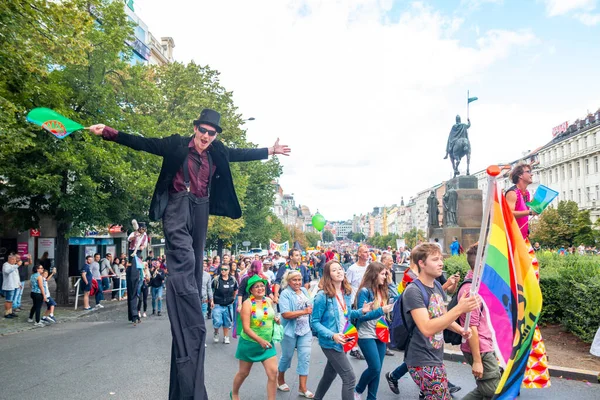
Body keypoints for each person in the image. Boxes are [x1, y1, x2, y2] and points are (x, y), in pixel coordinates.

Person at [89, 108, 290, 399]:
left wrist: (270, 150)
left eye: (212, 133)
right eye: (203, 131)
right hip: (176, 204)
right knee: (184, 256)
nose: (207, 137)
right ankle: (187, 300)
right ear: (195, 129)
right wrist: (109, 132)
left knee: (195, 263)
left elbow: (238, 153)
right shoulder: (174, 145)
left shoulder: (216, 150)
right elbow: (143, 142)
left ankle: (193, 295)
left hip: (201, 206)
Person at [402, 243, 479, 400]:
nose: (441, 263)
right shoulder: (413, 291)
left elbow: (442, 316)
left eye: (441, 259)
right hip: (421, 359)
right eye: (435, 259)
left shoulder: (436, 285)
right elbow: (427, 328)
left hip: (435, 356)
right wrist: (459, 309)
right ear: (422, 264)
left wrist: (460, 330)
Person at [311, 260, 373, 400]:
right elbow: (314, 322)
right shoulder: (323, 296)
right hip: (331, 343)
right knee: (350, 378)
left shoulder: (346, 292)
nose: (339, 271)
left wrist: (361, 311)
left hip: (344, 340)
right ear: (328, 274)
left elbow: (346, 315)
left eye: (340, 269)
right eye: (334, 270)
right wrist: (332, 335)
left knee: (329, 374)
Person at [458, 243, 501, 399]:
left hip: (485, 344)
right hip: (480, 347)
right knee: (492, 391)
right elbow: (471, 328)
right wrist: (477, 360)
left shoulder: (479, 284)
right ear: (481, 265)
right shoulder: (471, 291)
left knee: (487, 391)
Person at [232, 275, 281, 400]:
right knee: (243, 373)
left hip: (267, 344)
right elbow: (246, 328)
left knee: (273, 373)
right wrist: (260, 340)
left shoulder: (268, 301)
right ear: (251, 291)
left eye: (262, 286)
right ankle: (235, 393)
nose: (260, 288)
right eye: (256, 287)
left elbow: (269, 316)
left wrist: (275, 319)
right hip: (250, 344)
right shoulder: (247, 304)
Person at [353, 262, 395, 400]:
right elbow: (363, 315)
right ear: (374, 274)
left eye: (385, 274)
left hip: (381, 332)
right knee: (375, 368)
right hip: (366, 334)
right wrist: (381, 310)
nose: (385, 277)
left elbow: (399, 296)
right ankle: (358, 389)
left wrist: (391, 281)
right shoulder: (364, 291)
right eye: (382, 274)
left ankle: (372, 398)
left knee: (377, 370)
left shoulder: (383, 290)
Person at [277, 270, 314, 398]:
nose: (298, 282)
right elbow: (285, 314)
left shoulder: (304, 290)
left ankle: (302, 388)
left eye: (299, 280)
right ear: (288, 281)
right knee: (287, 356)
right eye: (294, 280)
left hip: (305, 330)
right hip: (289, 331)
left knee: (305, 357)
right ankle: (280, 379)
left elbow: (310, 305)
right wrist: (304, 311)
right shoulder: (285, 294)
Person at [345, 244, 370, 360]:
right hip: (355, 300)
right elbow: (346, 284)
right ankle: (353, 348)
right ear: (359, 254)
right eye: (364, 252)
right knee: (354, 324)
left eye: (368, 251)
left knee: (364, 323)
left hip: (367, 299)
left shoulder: (370, 267)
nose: (367, 253)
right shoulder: (352, 269)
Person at [505, 163, 536, 239]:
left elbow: (522, 209)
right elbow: (509, 213)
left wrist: (536, 205)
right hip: (512, 237)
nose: (531, 175)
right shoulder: (512, 193)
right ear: (520, 175)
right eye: (528, 172)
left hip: (522, 235)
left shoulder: (526, 193)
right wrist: (530, 212)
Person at [127, 222, 148, 324]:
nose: (143, 231)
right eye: (141, 229)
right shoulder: (134, 233)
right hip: (132, 255)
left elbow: (144, 245)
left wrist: (142, 246)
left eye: (144, 229)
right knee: (133, 287)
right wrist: (135, 236)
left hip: (138, 254)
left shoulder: (145, 236)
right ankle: (134, 315)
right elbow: (129, 240)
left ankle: (137, 313)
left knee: (138, 292)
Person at [211, 264, 238, 344]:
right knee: (217, 321)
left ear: (229, 271)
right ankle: (216, 332)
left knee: (227, 322)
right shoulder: (216, 280)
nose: (223, 271)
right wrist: (211, 300)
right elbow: (211, 290)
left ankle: (226, 337)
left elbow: (235, 289)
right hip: (218, 304)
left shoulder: (232, 279)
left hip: (228, 305)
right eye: (222, 269)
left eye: (225, 269)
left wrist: (233, 298)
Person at [2, 254, 22, 318]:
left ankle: (10, 312)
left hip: (15, 285)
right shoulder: (6, 265)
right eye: (13, 259)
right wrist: (17, 265)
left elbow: (17, 275)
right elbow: (7, 271)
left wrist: (19, 283)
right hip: (9, 285)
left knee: (12, 300)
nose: (14, 261)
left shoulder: (14, 266)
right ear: (9, 259)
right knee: (8, 300)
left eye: (15, 259)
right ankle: (6, 313)